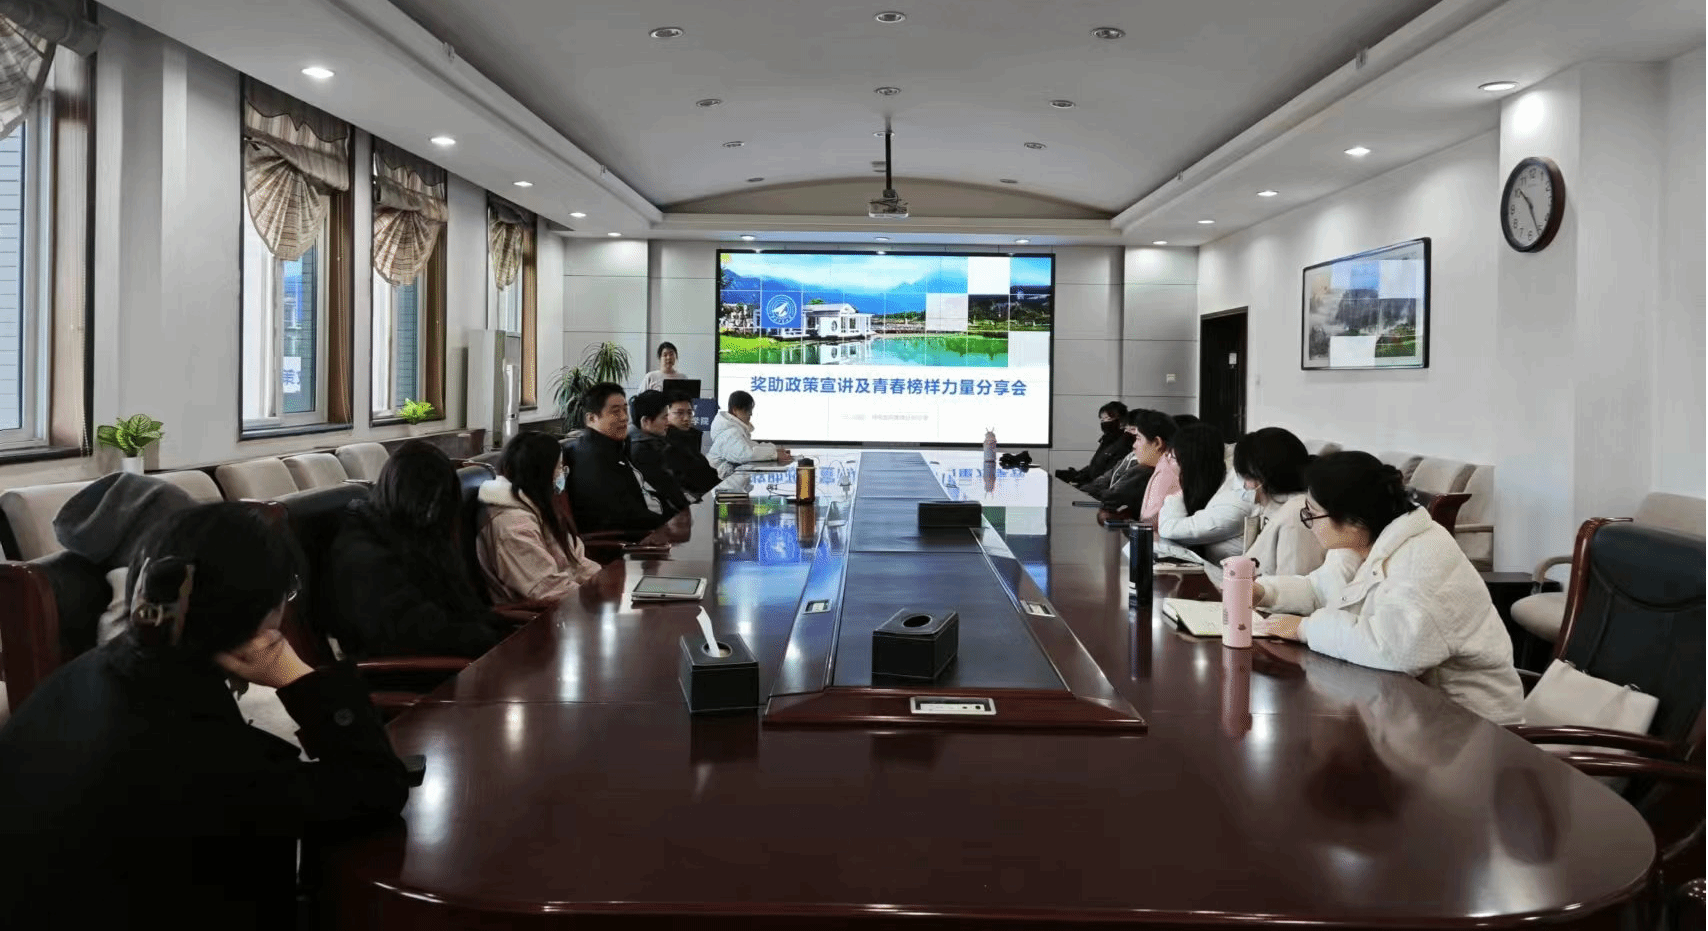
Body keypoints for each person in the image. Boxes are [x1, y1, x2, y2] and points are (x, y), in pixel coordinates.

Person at [0, 503, 409, 930]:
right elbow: (377, 786)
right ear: (258, 616)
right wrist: (298, 676)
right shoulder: (207, 756)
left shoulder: (85, 673)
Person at [1251, 451, 1523, 724]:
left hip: (1470, 726)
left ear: (1353, 521)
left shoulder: (1423, 557)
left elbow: (1395, 650)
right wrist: (1264, 593)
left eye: (1312, 514)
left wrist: (1305, 629)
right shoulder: (1357, 543)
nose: (1308, 522)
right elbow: (1319, 590)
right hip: (1404, 710)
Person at [327, 441, 510, 658]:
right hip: (410, 669)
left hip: (452, 657)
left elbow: (464, 608)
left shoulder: (411, 534)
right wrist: (490, 642)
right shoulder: (364, 554)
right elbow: (414, 632)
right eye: (432, 501)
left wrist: (504, 634)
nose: (435, 512)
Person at [479, 431, 605, 602]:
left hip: (572, 600)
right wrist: (600, 597)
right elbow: (546, 589)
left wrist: (607, 583)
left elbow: (577, 563)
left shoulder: (536, 506)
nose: (562, 474)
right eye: (559, 468)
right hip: (546, 613)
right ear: (541, 473)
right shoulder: (512, 524)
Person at [566, 382, 672, 534]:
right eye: (615, 412)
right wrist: (667, 525)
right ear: (591, 418)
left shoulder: (613, 446)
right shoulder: (592, 457)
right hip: (633, 540)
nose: (624, 418)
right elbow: (620, 517)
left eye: (625, 410)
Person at [1233, 427, 1333, 576]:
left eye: (1246, 478)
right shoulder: (1273, 508)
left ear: (1263, 477)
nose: (1244, 485)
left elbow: (1293, 581)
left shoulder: (1297, 516)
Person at [1156, 423, 1257, 561]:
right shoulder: (1216, 483)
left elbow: (1169, 529)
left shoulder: (1237, 500)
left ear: (1190, 462)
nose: (1168, 461)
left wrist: (1177, 495)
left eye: (1172, 457)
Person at [627, 389, 693, 515]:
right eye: (664, 417)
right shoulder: (642, 452)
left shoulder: (648, 442)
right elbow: (669, 491)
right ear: (646, 421)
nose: (668, 422)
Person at [708, 390, 792, 478]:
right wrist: (775, 455)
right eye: (747, 410)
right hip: (718, 480)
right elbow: (746, 454)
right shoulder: (729, 433)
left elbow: (752, 446)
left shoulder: (733, 428)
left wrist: (775, 450)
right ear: (735, 410)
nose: (751, 414)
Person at [663, 389, 722, 496]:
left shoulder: (689, 438)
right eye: (680, 413)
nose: (686, 418)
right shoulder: (666, 445)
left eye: (690, 413)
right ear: (665, 415)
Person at [1056, 401, 1129, 485]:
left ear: (1121, 421)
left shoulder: (1124, 444)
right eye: (1102, 420)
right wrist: (1077, 476)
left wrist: (1084, 485)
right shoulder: (1106, 441)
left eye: (1108, 419)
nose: (1104, 423)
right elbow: (1094, 468)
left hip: (1098, 488)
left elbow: (1109, 476)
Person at [1131, 409, 1181, 525]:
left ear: (1157, 443)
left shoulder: (1167, 472)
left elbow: (1150, 524)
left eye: (1138, 438)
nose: (1134, 445)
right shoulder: (1168, 464)